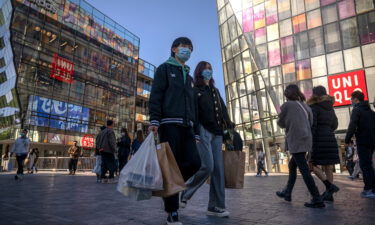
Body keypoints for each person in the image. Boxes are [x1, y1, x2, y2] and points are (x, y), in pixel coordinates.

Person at [148, 37, 201, 225]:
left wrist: (195, 129)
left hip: (187, 126)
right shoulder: (164, 69)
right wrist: (154, 119)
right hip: (168, 124)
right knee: (171, 166)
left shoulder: (188, 75)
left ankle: (169, 187)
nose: (187, 50)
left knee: (195, 163)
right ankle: (172, 211)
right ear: (174, 49)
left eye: (190, 48)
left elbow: (192, 104)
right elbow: (156, 95)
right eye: (184, 47)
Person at [180, 61, 232, 218]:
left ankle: (216, 206)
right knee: (208, 166)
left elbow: (223, 112)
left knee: (218, 171)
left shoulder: (215, 91)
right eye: (205, 69)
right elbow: (193, 113)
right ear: (199, 72)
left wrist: (230, 130)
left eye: (210, 68)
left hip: (217, 134)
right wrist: (194, 132)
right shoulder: (196, 90)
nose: (208, 71)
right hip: (203, 131)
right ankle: (185, 192)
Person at [276, 84, 325, 208]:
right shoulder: (305, 106)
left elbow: (280, 122)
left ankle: (317, 198)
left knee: (304, 170)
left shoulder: (286, 105)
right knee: (292, 165)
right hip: (306, 138)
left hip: (296, 139)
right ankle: (287, 192)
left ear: (287, 94)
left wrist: (287, 121)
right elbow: (311, 122)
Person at [307, 86, 340, 202]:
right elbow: (335, 124)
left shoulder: (314, 107)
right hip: (330, 138)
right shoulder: (330, 107)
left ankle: (329, 188)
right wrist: (327, 129)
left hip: (318, 139)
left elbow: (313, 125)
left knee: (312, 165)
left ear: (315, 95)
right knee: (328, 167)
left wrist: (310, 140)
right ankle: (329, 195)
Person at [345, 91, 375, 198]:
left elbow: (352, 125)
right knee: (368, 165)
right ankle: (372, 188)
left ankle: (368, 189)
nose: (351, 101)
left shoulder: (357, 110)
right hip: (372, 141)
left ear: (356, 99)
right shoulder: (370, 111)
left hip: (363, 141)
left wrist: (347, 139)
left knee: (365, 165)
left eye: (351, 99)